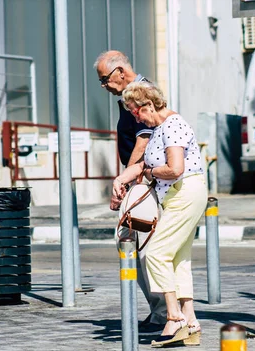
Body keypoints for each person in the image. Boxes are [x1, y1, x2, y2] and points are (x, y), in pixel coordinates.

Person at [111, 81, 207, 348]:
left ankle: (173, 316)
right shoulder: (159, 128)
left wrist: (151, 174)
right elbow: (144, 163)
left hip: (184, 191)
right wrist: (122, 179)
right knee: (178, 258)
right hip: (180, 194)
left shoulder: (173, 125)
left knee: (155, 253)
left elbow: (174, 168)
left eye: (135, 112)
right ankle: (190, 322)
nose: (135, 118)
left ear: (149, 106)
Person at [94, 50, 166, 333]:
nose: (104, 86)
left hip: (143, 180)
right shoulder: (129, 97)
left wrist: (128, 177)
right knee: (134, 244)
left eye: (105, 79)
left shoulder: (140, 94)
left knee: (136, 243)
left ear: (120, 72)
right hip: (139, 178)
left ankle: (162, 311)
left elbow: (144, 140)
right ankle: (161, 310)